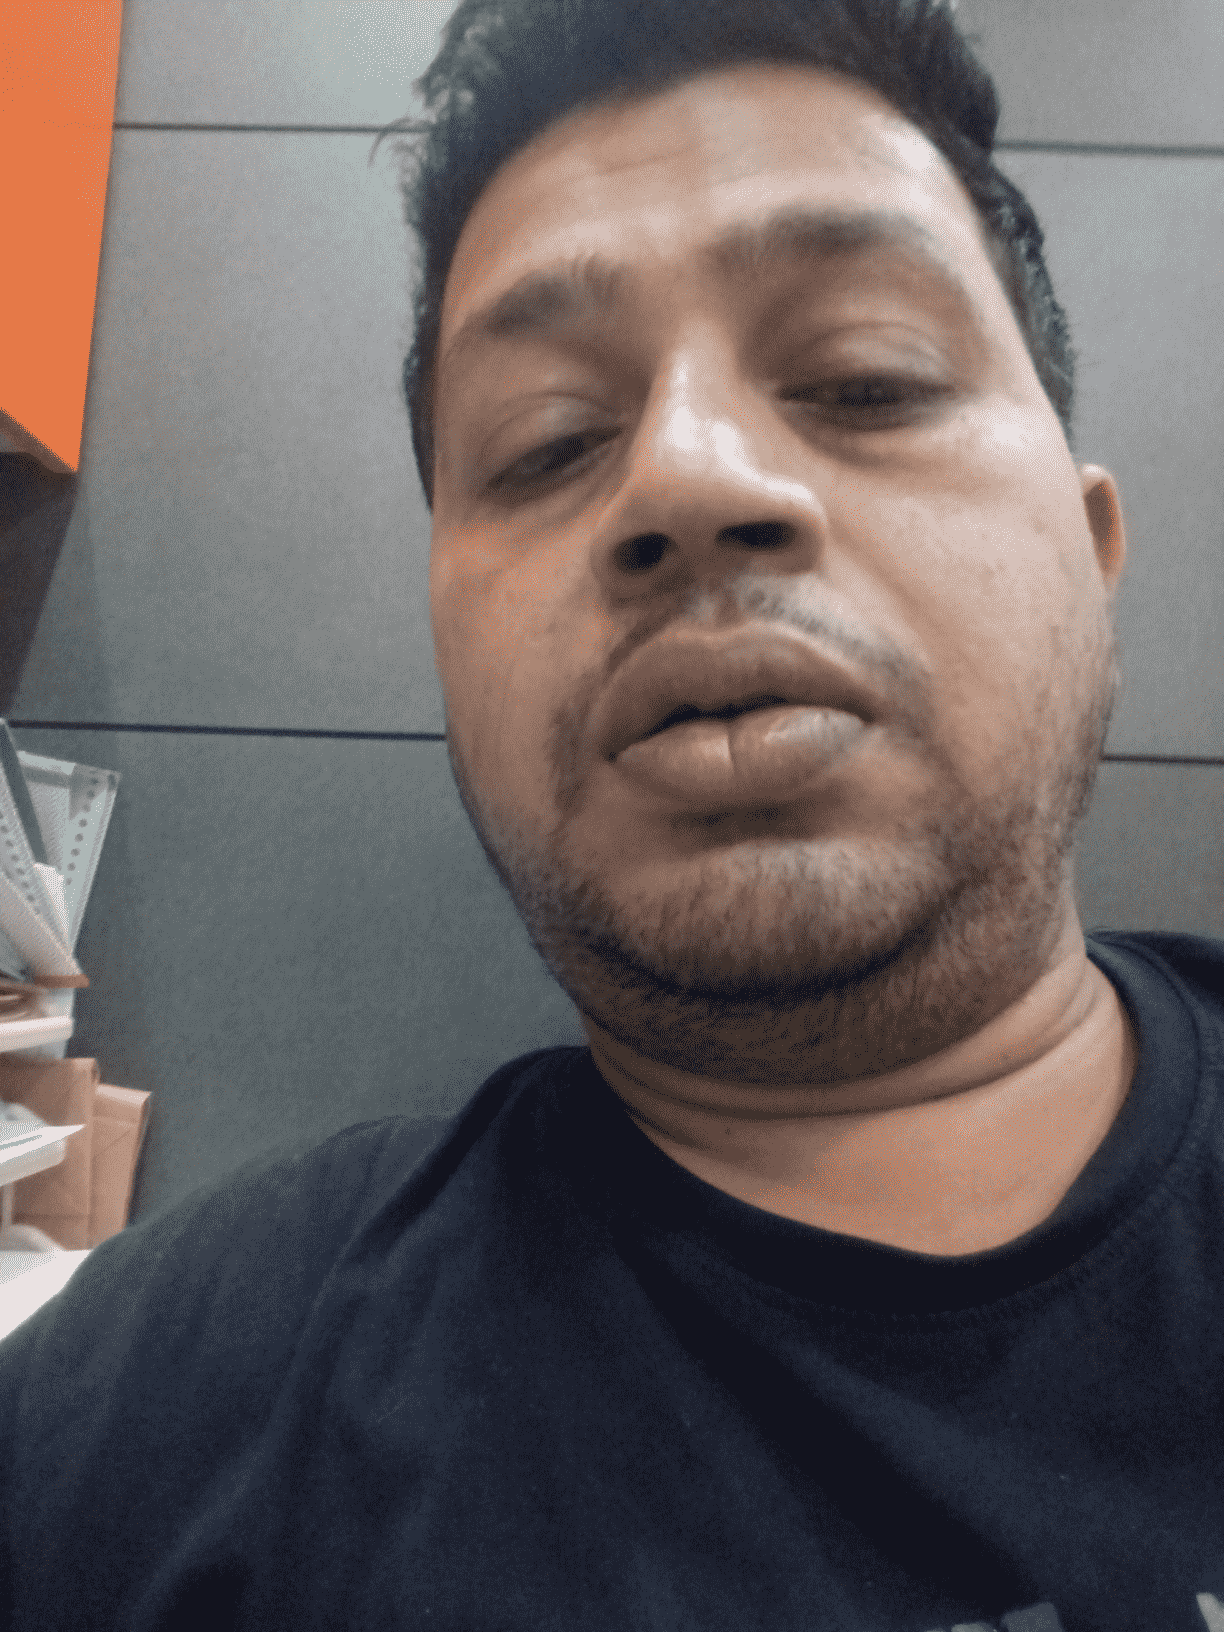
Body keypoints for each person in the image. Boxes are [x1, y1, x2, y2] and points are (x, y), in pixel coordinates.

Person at [3, 2, 1222, 1627]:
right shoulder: (142, 1433)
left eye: (863, 377)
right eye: (551, 442)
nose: (687, 479)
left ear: (1093, 546)